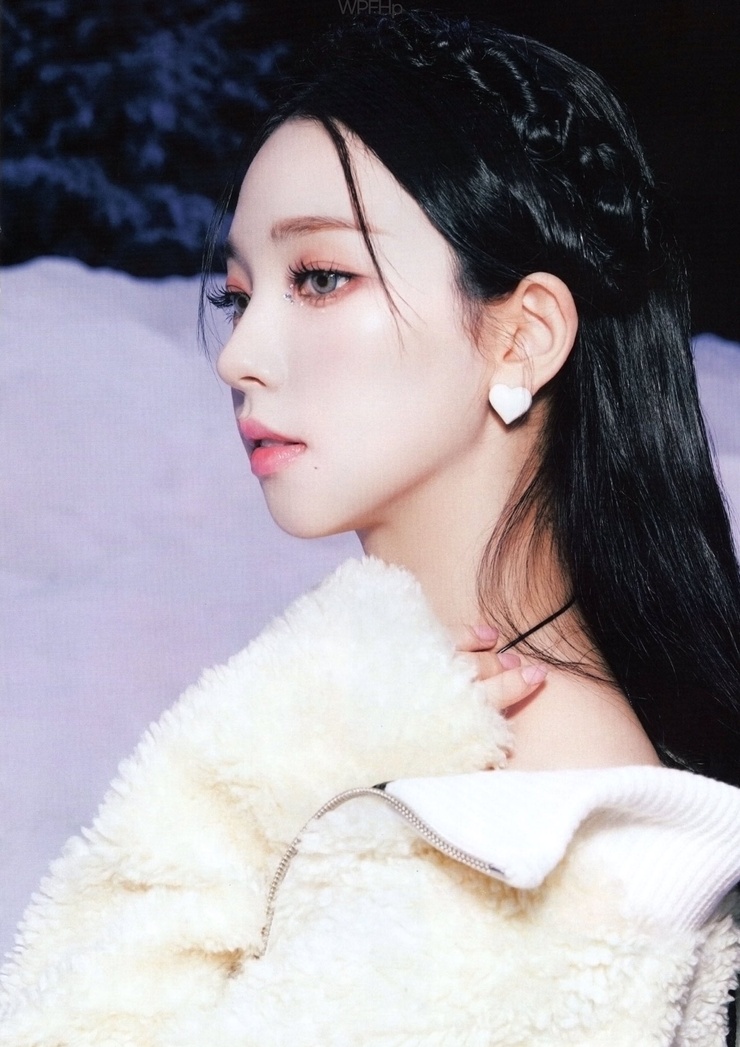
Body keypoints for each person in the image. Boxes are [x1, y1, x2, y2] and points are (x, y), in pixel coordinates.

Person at [2, 10, 740, 1045]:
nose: (238, 355)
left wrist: (253, 754)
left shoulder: (531, 816)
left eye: (320, 278)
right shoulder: (417, 747)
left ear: (522, 336)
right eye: (238, 293)